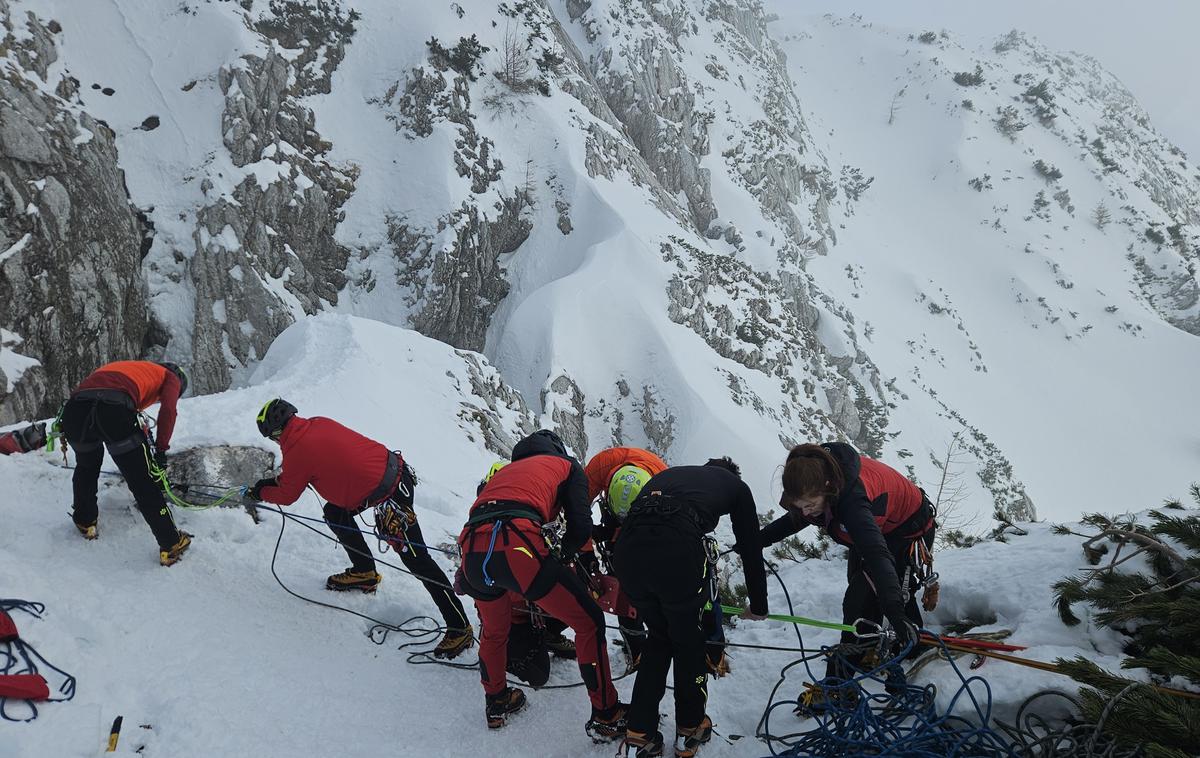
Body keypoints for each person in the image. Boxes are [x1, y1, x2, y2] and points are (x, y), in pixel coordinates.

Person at [247, 399, 472, 659]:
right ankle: (364, 571)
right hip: (393, 476)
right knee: (335, 512)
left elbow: (287, 494)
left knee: (419, 562)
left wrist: (260, 491)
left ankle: (459, 627)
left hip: (389, 498)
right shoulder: (318, 422)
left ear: (275, 433)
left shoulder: (297, 451)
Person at [457, 430, 626, 736]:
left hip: (471, 548)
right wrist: (563, 557)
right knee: (589, 622)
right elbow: (579, 525)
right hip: (518, 543)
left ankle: (497, 700)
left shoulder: (504, 473)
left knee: (495, 632)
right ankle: (606, 712)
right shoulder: (567, 466)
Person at [614, 458, 768, 758]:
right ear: (730, 475)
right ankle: (690, 727)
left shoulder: (671, 475)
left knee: (659, 637)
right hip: (677, 548)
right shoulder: (735, 487)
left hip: (628, 550)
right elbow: (751, 547)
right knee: (688, 641)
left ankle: (639, 732)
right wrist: (759, 604)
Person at [758, 442, 935, 684]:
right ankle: (885, 641)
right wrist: (757, 541)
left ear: (828, 488)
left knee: (861, 601)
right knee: (864, 591)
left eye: (810, 505)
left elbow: (876, 554)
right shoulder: (814, 477)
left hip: (906, 529)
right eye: (801, 506)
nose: (807, 512)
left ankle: (841, 682)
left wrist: (894, 612)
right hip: (876, 529)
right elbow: (796, 519)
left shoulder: (852, 502)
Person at [60, 360, 192, 566]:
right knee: (142, 480)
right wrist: (161, 449)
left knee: (87, 466)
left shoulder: (128, 367)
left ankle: (85, 521)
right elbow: (168, 411)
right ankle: (171, 543)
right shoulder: (170, 376)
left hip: (75, 411)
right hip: (114, 410)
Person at [583, 447, 668, 671]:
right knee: (619, 576)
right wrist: (587, 549)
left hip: (645, 516)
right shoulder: (599, 468)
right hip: (617, 509)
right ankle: (634, 639)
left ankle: (641, 632)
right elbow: (577, 511)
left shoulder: (665, 485)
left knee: (639, 574)